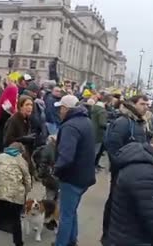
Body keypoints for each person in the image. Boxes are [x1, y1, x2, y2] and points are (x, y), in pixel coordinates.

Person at [102, 95, 149, 243]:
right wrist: (123, 166)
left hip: (133, 171)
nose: (146, 106)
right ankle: (108, 236)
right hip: (122, 171)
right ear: (133, 105)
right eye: (142, 104)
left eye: (147, 104)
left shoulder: (139, 122)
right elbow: (113, 147)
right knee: (115, 204)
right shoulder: (123, 122)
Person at [53, 95, 96, 246]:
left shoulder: (70, 127)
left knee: (65, 215)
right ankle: (71, 240)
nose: (59, 111)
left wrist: (55, 170)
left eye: (60, 108)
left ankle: (62, 243)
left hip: (72, 178)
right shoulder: (86, 121)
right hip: (85, 176)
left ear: (66, 109)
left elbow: (66, 156)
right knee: (71, 211)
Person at [0, 142, 32, 246]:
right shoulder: (21, 160)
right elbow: (27, 179)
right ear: (20, 151)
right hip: (16, 194)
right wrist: (26, 192)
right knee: (15, 220)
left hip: (0, 192)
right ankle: (18, 243)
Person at [0, 77, 19, 152]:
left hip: (3, 112)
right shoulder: (13, 88)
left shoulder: (9, 88)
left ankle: (0, 148)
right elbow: (10, 102)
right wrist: (13, 112)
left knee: (1, 131)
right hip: (6, 113)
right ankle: (2, 148)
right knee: (3, 132)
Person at [90, 98, 108, 171]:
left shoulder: (93, 109)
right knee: (96, 152)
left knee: (92, 152)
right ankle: (92, 167)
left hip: (92, 132)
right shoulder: (102, 111)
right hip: (98, 134)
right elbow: (102, 123)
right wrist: (108, 124)